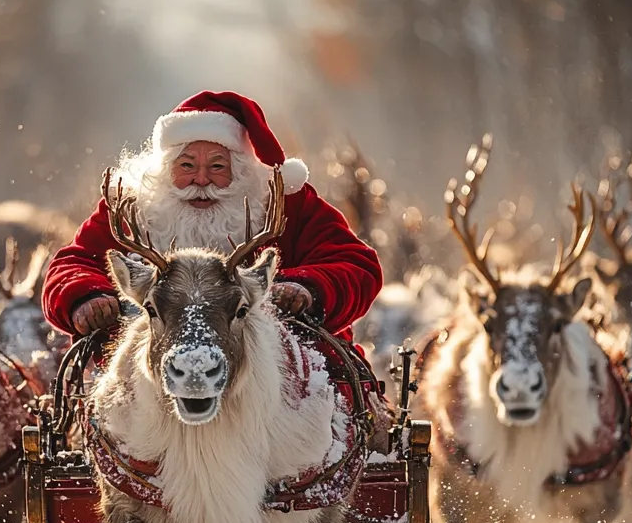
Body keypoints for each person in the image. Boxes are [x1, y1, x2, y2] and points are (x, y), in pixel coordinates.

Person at [42, 90, 382, 340]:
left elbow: (356, 264)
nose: (201, 180)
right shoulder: (133, 208)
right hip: (142, 372)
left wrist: (306, 287)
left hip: (281, 370)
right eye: (187, 165)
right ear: (165, 170)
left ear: (244, 172)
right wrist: (87, 297)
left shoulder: (284, 203)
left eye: (218, 167)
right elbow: (72, 265)